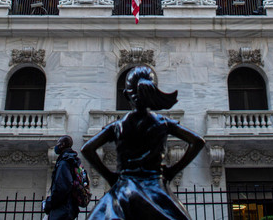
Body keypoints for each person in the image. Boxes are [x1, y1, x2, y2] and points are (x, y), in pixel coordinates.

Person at [82, 66, 205, 220]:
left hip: (125, 190)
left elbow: (87, 149)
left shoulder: (118, 126)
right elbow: (197, 141)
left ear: (126, 95)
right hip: (156, 188)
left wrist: (110, 177)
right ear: (153, 92)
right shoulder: (163, 123)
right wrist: (172, 171)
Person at [44, 135, 81, 220]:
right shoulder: (72, 161)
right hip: (68, 208)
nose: (56, 146)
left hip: (62, 210)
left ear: (62, 144)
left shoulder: (64, 163)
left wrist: (49, 203)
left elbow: (62, 188)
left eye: (58, 143)